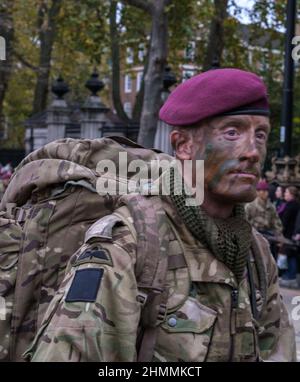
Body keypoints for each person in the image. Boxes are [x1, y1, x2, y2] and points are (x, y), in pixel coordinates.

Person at [26, 68, 296, 362]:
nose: (253, 151)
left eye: (260, 134)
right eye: (232, 132)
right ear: (183, 146)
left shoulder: (256, 254)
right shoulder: (129, 246)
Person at [245, 179, 283, 259]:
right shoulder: (250, 206)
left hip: (268, 237)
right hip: (253, 237)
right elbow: (244, 222)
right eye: (263, 191)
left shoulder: (271, 206)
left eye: (266, 191)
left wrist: (279, 236)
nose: (265, 193)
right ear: (258, 192)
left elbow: (276, 223)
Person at [279, 186, 300, 288]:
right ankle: (289, 275)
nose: (284, 194)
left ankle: (290, 276)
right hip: (291, 234)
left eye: (286, 192)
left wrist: (280, 232)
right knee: (289, 255)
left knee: (290, 255)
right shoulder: (292, 205)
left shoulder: (291, 206)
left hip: (290, 234)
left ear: (291, 194)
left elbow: (285, 221)